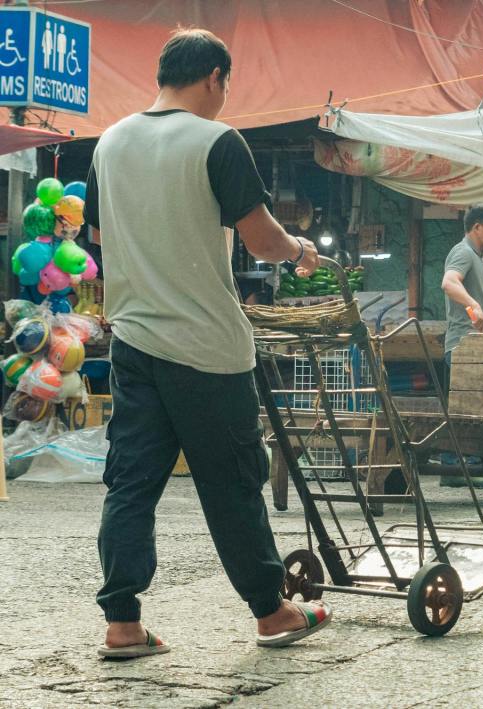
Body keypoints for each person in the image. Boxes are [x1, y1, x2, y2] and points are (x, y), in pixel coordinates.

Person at [84, 29, 331, 660]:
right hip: (207, 349)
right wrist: (304, 252)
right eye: (227, 85)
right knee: (231, 484)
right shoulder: (218, 141)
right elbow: (266, 240)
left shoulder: (110, 141)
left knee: (131, 483)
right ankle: (272, 613)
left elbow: (95, 234)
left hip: (134, 342)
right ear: (215, 76)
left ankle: (123, 624)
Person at [441, 204, 483, 371]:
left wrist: (472, 309)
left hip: (477, 346)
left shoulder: (477, 258)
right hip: (465, 347)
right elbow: (449, 283)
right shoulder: (463, 252)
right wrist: (474, 306)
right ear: (477, 227)